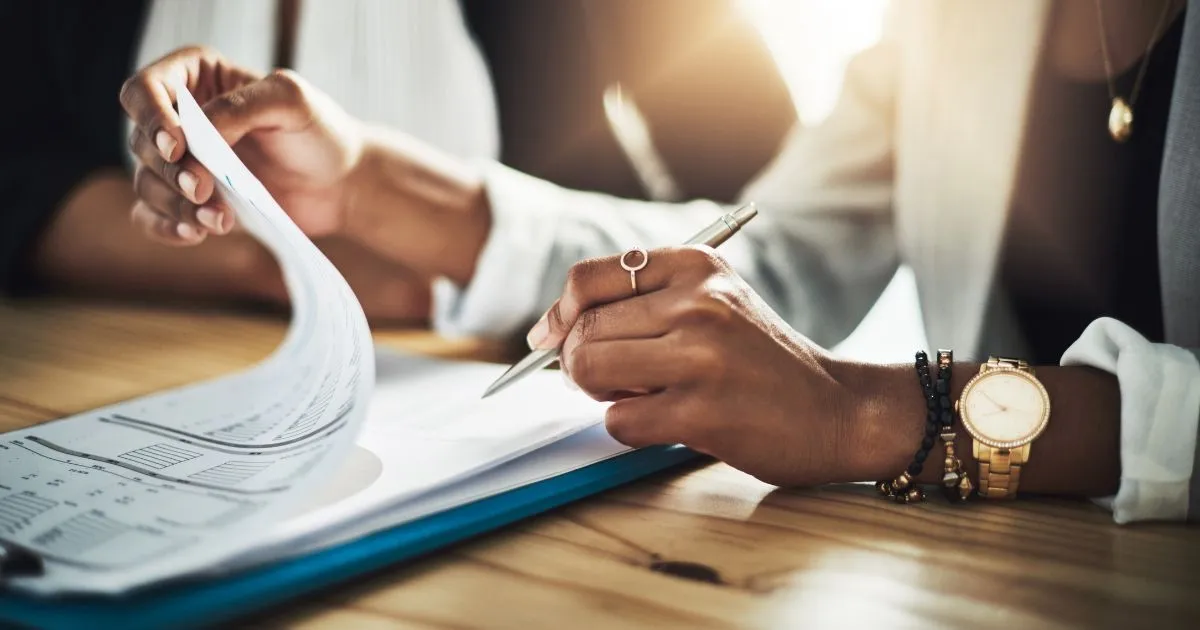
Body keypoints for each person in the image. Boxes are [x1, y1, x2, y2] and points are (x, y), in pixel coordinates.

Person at [116, 0, 1200, 524]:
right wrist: (363, 183)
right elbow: (774, 251)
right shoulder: (954, 23)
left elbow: (826, 382)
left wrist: (879, 415)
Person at [0, 0, 791, 320]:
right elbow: (18, 173)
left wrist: (434, 252)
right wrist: (261, 263)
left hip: (527, 414)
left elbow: (780, 219)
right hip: (146, 367)